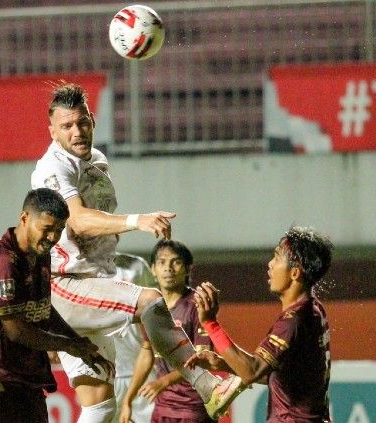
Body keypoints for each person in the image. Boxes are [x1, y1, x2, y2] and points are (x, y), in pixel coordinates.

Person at [30, 82, 244, 422]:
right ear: (52, 130)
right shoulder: (52, 168)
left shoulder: (96, 161)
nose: (77, 131)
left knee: (99, 404)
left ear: (93, 121)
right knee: (151, 301)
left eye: (82, 122)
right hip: (67, 285)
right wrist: (137, 220)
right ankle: (206, 386)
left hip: (91, 283)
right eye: (67, 125)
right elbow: (80, 221)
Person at [0, 188, 113, 423]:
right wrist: (68, 345)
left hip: (24, 380)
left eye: (58, 230)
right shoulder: (2, 262)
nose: (52, 237)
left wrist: (77, 342)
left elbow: (43, 308)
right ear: (24, 218)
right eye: (47, 229)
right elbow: (15, 330)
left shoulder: (40, 254)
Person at [185, 226, 333, 422]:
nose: (270, 264)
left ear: (295, 273)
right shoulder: (314, 309)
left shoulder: (293, 321)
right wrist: (223, 363)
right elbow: (281, 378)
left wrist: (211, 324)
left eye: (277, 257)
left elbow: (251, 372)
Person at [120, 240, 217, 423]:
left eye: (176, 262)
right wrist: (128, 400)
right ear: (153, 269)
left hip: (194, 408)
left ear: (188, 269)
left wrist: (163, 382)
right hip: (163, 408)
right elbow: (147, 351)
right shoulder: (151, 307)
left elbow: (203, 359)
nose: (168, 268)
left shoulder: (198, 305)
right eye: (162, 262)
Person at [112, 253, 156, 423]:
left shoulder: (136, 266)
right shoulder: (83, 268)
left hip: (142, 368)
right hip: (106, 370)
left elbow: (156, 308)